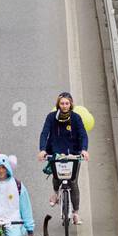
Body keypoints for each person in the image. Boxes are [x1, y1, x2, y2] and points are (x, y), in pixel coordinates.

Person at [37, 92, 90, 224]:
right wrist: (43, 150)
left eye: (67, 103)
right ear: (58, 104)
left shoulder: (76, 118)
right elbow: (44, 133)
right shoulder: (51, 117)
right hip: (55, 152)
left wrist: (84, 150)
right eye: (62, 103)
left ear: (71, 104)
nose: (65, 106)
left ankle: (76, 213)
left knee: (73, 182)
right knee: (56, 176)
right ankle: (55, 193)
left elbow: (83, 135)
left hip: (73, 154)